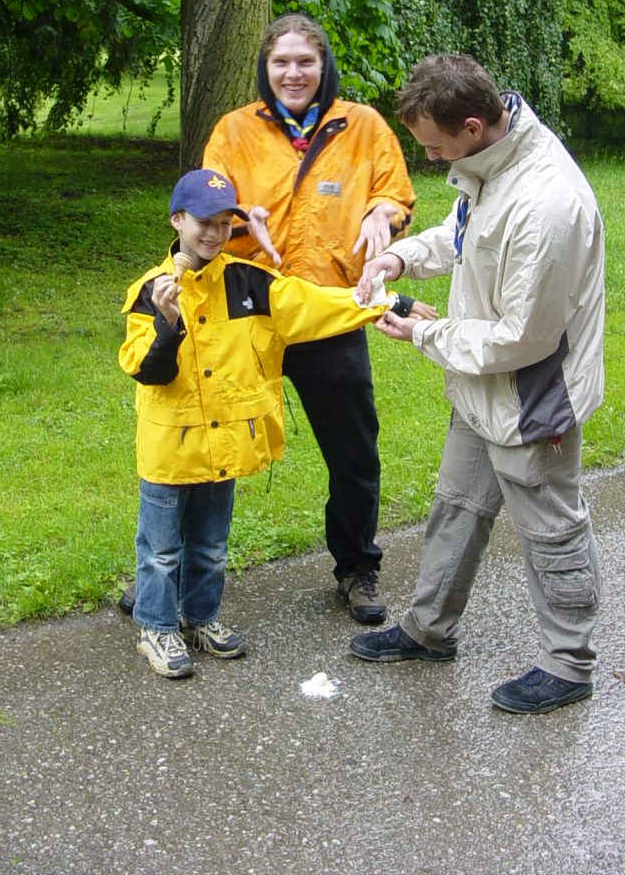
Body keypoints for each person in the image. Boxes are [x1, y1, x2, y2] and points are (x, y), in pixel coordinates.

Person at [350, 54, 605, 715]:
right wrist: (399, 256)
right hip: (479, 381)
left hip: (532, 396)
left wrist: (425, 335)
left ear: (470, 126)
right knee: (458, 504)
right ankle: (429, 630)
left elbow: (525, 338)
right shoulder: (491, 163)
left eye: (434, 147)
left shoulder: (546, 204)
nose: (431, 158)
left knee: (551, 530)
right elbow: (464, 236)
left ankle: (569, 663)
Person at [118, 168, 423, 679]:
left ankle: (199, 618)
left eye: (224, 223)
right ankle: (156, 628)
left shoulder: (251, 282)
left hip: (226, 448)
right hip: (171, 450)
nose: (214, 233)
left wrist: (390, 302)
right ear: (177, 220)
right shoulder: (152, 291)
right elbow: (145, 369)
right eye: (203, 222)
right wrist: (169, 325)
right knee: (161, 551)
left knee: (211, 547)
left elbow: (316, 304)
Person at [200, 13, 422, 624]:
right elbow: (205, 201)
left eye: (305, 62)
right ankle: (175, 571)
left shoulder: (363, 125)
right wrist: (239, 215)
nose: (293, 73)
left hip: (330, 314)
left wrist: (380, 212)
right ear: (264, 67)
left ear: (324, 67)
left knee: (354, 453)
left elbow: (395, 193)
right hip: (251, 309)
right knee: (210, 443)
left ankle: (357, 568)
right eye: (281, 62)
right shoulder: (234, 129)